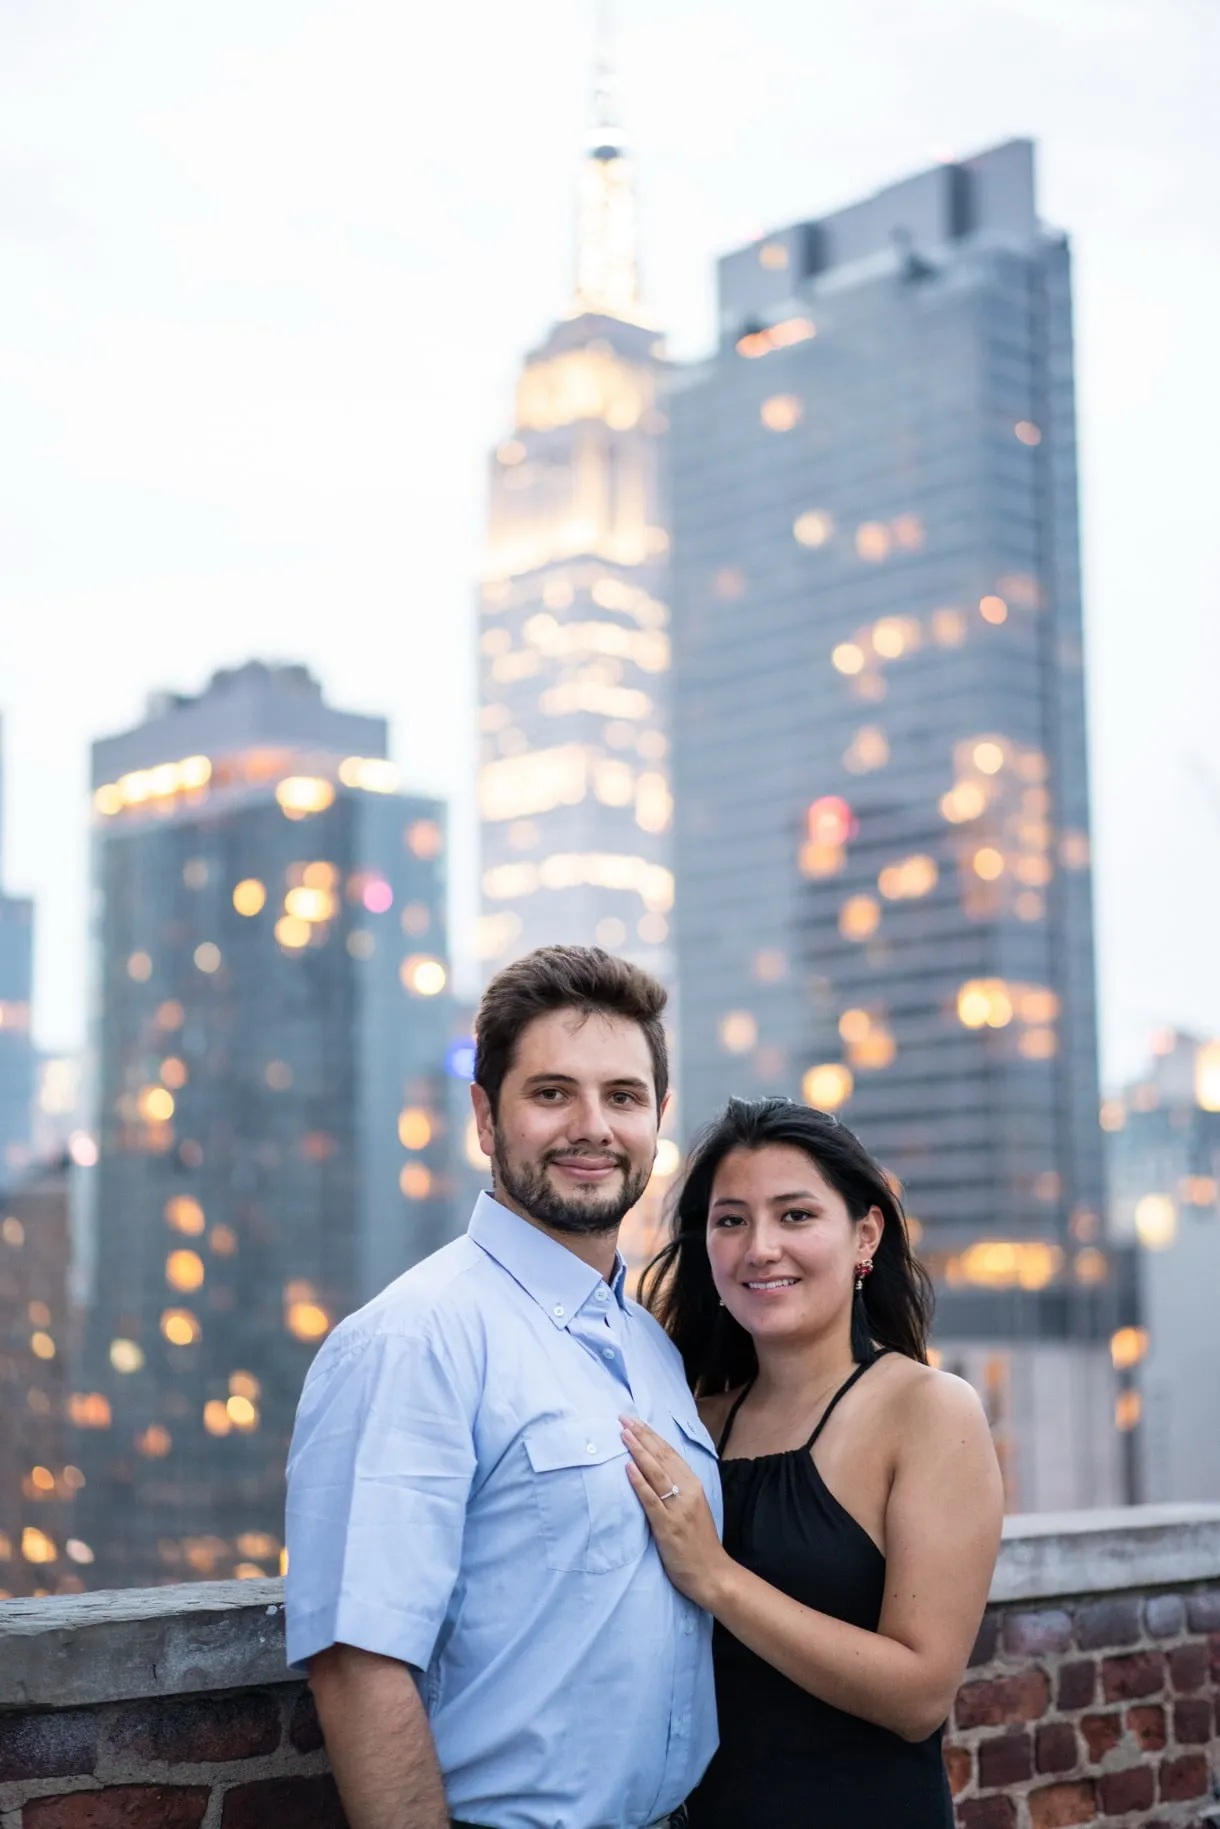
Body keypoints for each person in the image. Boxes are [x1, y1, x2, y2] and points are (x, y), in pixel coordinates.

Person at [284, 945, 721, 1829]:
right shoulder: (415, 1339)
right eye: (551, 1092)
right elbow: (358, 1660)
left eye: (623, 1096)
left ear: (657, 1120)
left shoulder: (652, 1345)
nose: (593, 1126)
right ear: (486, 1117)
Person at [626, 1095, 1003, 1829]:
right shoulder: (690, 1418)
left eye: (795, 1215)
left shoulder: (928, 1410)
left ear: (865, 1234)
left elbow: (919, 1695)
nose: (759, 1246)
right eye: (731, 1219)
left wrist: (718, 1578)